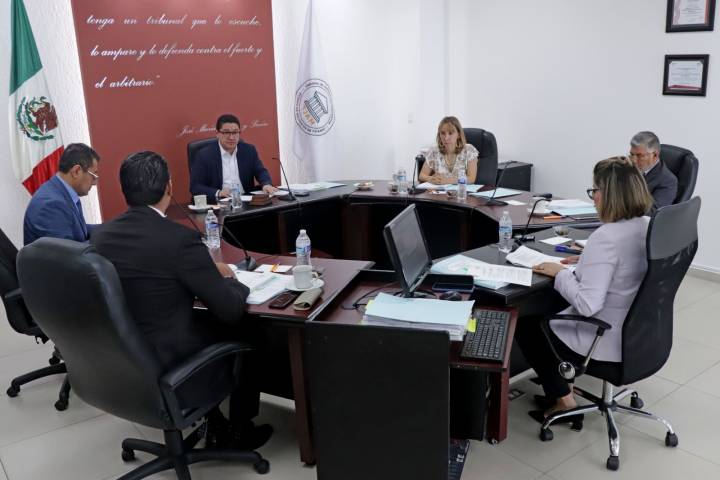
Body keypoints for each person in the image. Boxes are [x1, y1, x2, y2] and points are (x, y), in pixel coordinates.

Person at [91, 151, 272, 449]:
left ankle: (215, 420)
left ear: (124, 189)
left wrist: (202, 271)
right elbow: (229, 309)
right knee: (250, 330)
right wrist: (234, 282)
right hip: (173, 360)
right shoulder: (180, 239)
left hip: (125, 358)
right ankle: (240, 430)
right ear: (169, 187)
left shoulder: (101, 237)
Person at [516, 156, 653, 423]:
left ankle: (564, 402)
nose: (594, 198)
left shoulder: (606, 237)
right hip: (638, 334)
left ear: (611, 194)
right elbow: (623, 264)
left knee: (528, 325)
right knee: (551, 311)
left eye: (595, 191)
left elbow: (588, 305)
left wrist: (559, 273)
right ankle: (562, 385)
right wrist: (588, 259)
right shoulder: (646, 224)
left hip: (605, 336)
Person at [190, 114, 278, 203]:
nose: (231, 137)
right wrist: (218, 193)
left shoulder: (248, 150)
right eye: (226, 133)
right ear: (217, 133)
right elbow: (195, 186)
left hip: (247, 202)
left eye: (235, 132)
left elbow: (260, 171)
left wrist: (266, 184)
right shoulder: (204, 155)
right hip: (221, 203)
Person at [23, 143, 100, 245]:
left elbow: (80, 230)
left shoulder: (61, 191)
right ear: (76, 171)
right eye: (93, 176)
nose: (95, 183)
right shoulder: (51, 205)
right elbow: (69, 253)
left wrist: (111, 229)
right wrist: (108, 242)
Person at [419, 116, 478, 185]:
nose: (446, 138)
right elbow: (421, 176)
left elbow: (471, 179)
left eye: (450, 133)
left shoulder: (469, 150)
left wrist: (448, 181)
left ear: (458, 134)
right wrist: (430, 179)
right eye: (443, 133)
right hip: (439, 191)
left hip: (462, 191)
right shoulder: (433, 151)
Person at [629, 131, 678, 210]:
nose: (633, 160)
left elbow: (653, 212)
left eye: (639, 156)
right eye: (632, 154)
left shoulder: (668, 181)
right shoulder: (629, 167)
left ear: (655, 155)